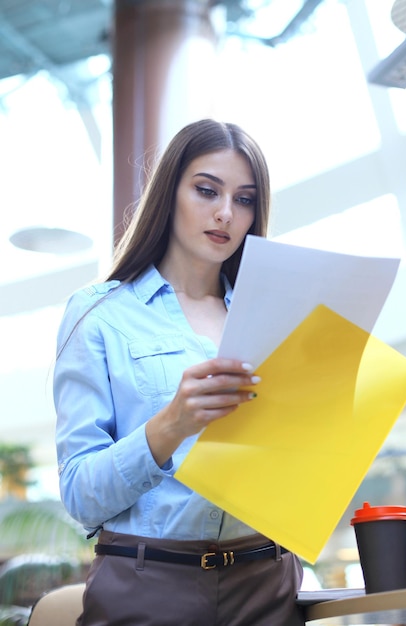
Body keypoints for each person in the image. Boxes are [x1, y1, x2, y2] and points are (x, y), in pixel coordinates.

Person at [54, 118, 305, 625]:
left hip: (268, 583)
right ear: (169, 193)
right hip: (150, 586)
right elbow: (81, 496)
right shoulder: (98, 314)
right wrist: (171, 425)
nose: (224, 213)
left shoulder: (274, 317)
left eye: (245, 199)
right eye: (206, 190)